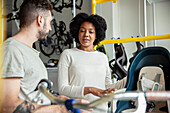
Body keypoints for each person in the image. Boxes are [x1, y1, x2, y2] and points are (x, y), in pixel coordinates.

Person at [0, 1, 89, 113]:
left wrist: (62, 101)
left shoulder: (30, 52)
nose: (51, 29)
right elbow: (8, 106)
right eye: (50, 22)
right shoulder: (12, 49)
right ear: (40, 20)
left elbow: (34, 95)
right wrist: (59, 110)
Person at [57, 13, 127, 113]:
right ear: (77, 33)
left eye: (91, 32)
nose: (86, 35)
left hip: (100, 110)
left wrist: (128, 79)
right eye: (82, 31)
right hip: (78, 110)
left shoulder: (102, 57)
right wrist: (90, 89)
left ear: (96, 35)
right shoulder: (68, 54)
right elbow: (62, 89)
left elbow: (107, 88)